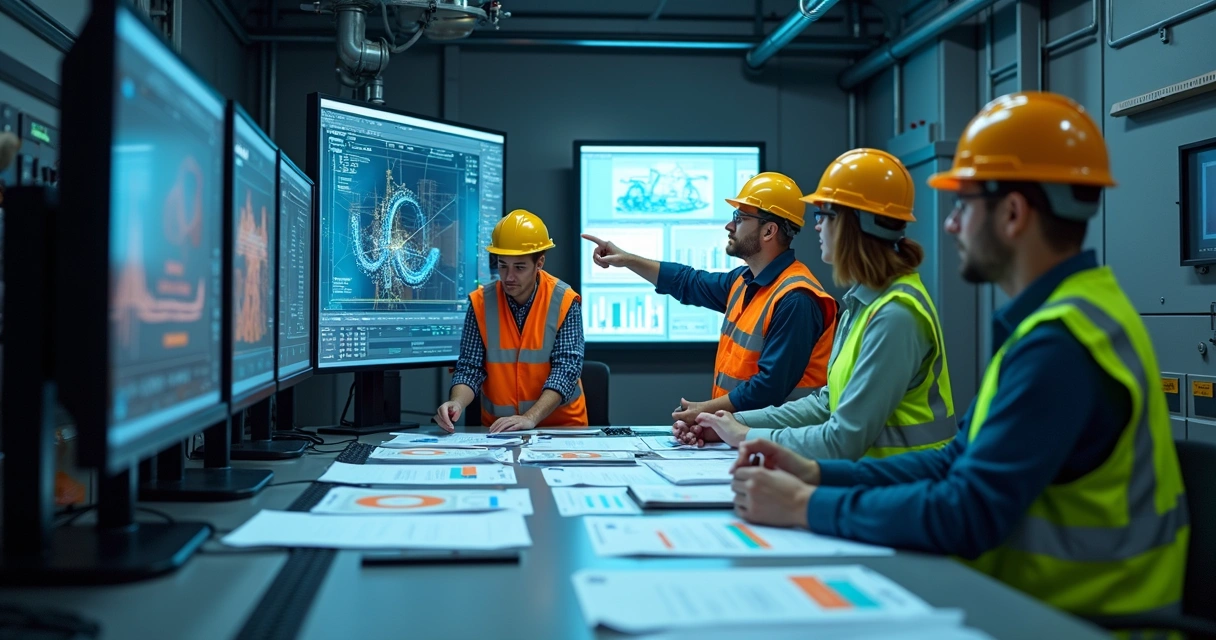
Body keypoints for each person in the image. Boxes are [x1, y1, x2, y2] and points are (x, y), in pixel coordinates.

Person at [728, 92, 1188, 618]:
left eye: (963, 205)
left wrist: (804, 505)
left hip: (1080, 620)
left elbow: (966, 513)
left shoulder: (1060, 345)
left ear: (1012, 214)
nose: (950, 225)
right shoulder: (1069, 316)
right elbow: (955, 460)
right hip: (1040, 608)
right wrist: (818, 476)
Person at [681, 149, 955, 461]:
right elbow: (827, 403)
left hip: (904, 483)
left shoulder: (895, 315)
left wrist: (744, 435)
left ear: (856, 223)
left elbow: (843, 439)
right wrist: (728, 424)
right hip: (873, 480)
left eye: (824, 215)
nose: (816, 226)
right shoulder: (862, 302)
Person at [582, 172, 837, 424]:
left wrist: (704, 412)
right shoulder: (744, 281)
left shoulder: (796, 299)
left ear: (769, 231)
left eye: (740, 218)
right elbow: (687, 281)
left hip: (781, 442)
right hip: (739, 433)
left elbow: (768, 387)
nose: (729, 226)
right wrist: (627, 259)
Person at [435, 209, 588, 433]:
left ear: (539, 263)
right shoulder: (480, 303)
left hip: (562, 430)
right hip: (500, 432)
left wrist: (530, 418)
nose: (508, 277)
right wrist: (456, 402)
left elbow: (566, 371)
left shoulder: (564, 301)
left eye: (519, 267)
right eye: (503, 265)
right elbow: (470, 368)